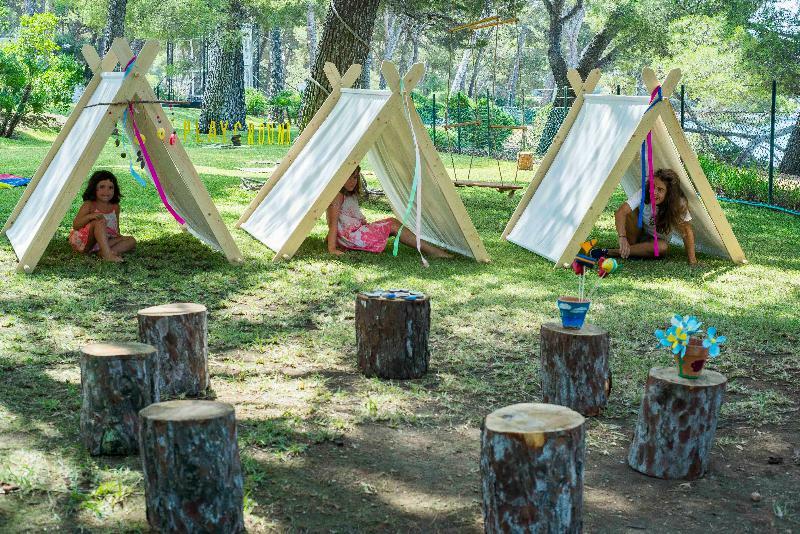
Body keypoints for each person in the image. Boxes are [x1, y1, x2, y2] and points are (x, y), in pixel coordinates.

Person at [326, 166, 452, 259]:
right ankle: (432, 251)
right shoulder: (337, 195)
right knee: (392, 224)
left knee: (392, 222)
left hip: (356, 233)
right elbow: (333, 223)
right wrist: (332, 248)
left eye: (355, 177)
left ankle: (430, 249)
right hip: (352, 237)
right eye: (348, 178)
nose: (353, 182)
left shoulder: (347, 194)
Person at [608, 168, 697, 265]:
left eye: (660, 190)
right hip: (637, 235)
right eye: (653, 187)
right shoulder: (644, 192)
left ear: (669, 194)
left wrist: (692, 261)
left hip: (657, 242)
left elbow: (686, 232)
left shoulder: (677, 204)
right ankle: (632, 249)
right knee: (630, 211)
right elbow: (620, 212)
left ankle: (614, 252)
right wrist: (622, 237)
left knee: (662, 247)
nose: (654, 192)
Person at [69, 170, 136, 263]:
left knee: (132, 240)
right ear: (94, 188)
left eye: (110, 187)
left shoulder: (115, 207)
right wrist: (90, 216)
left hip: (104, 241)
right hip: (86, 243)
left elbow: (116, 227)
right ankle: (108, 254)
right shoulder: (89, 205)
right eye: (102, 187)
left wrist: (120, 238)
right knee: (99, 222)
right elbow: (76, 225)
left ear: (115, 190)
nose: (106, 191)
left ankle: (105, 252)